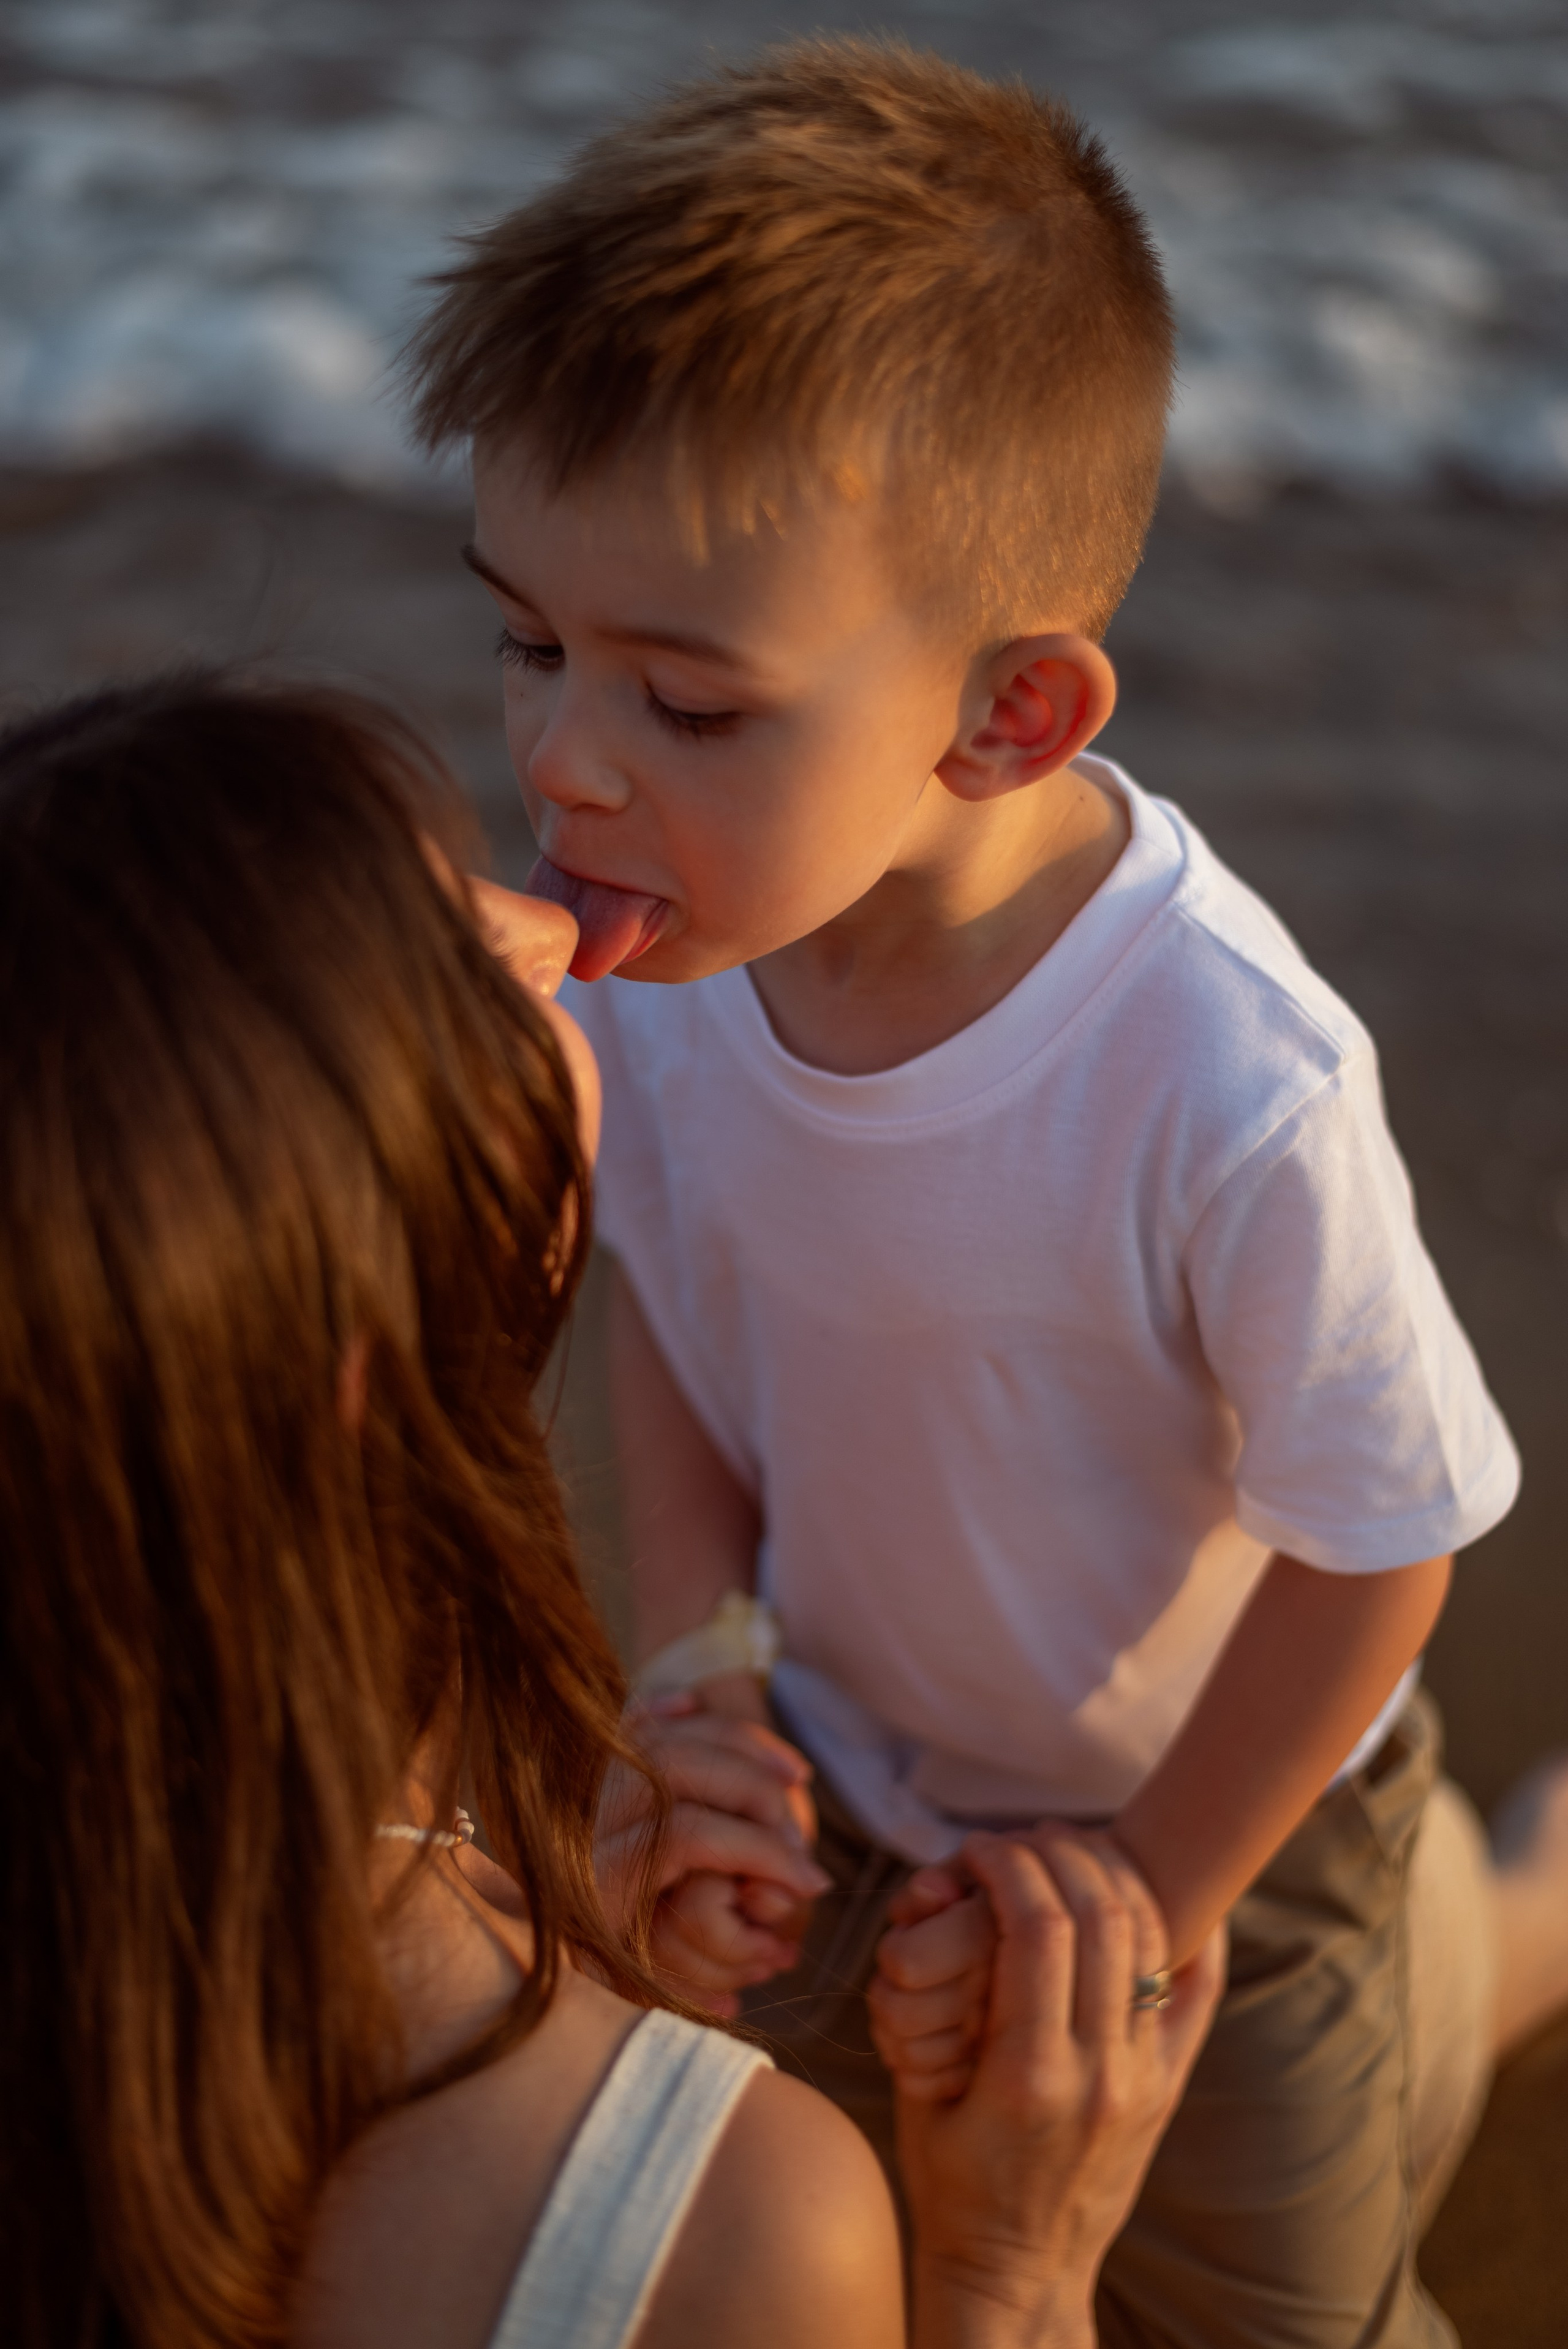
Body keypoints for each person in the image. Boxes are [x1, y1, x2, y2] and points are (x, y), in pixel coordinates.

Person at [406, 38, 1527, 2346]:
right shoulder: (667, 943)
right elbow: (690, 1320)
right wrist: (705, 1668)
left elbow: (1385, 1533)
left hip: (1222, 1806)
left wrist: (1154, 1881)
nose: (561, 759)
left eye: (686, 704)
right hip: (839, 1752)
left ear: (1009, 716)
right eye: (529, 640)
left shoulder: (1223, 1077)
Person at [0, 674, 1226, 2349]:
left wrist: (510, 1892)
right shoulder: (722, 2238)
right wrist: (1016, 2272)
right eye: (446, 953)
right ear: (350, 1345)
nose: (539, 913)